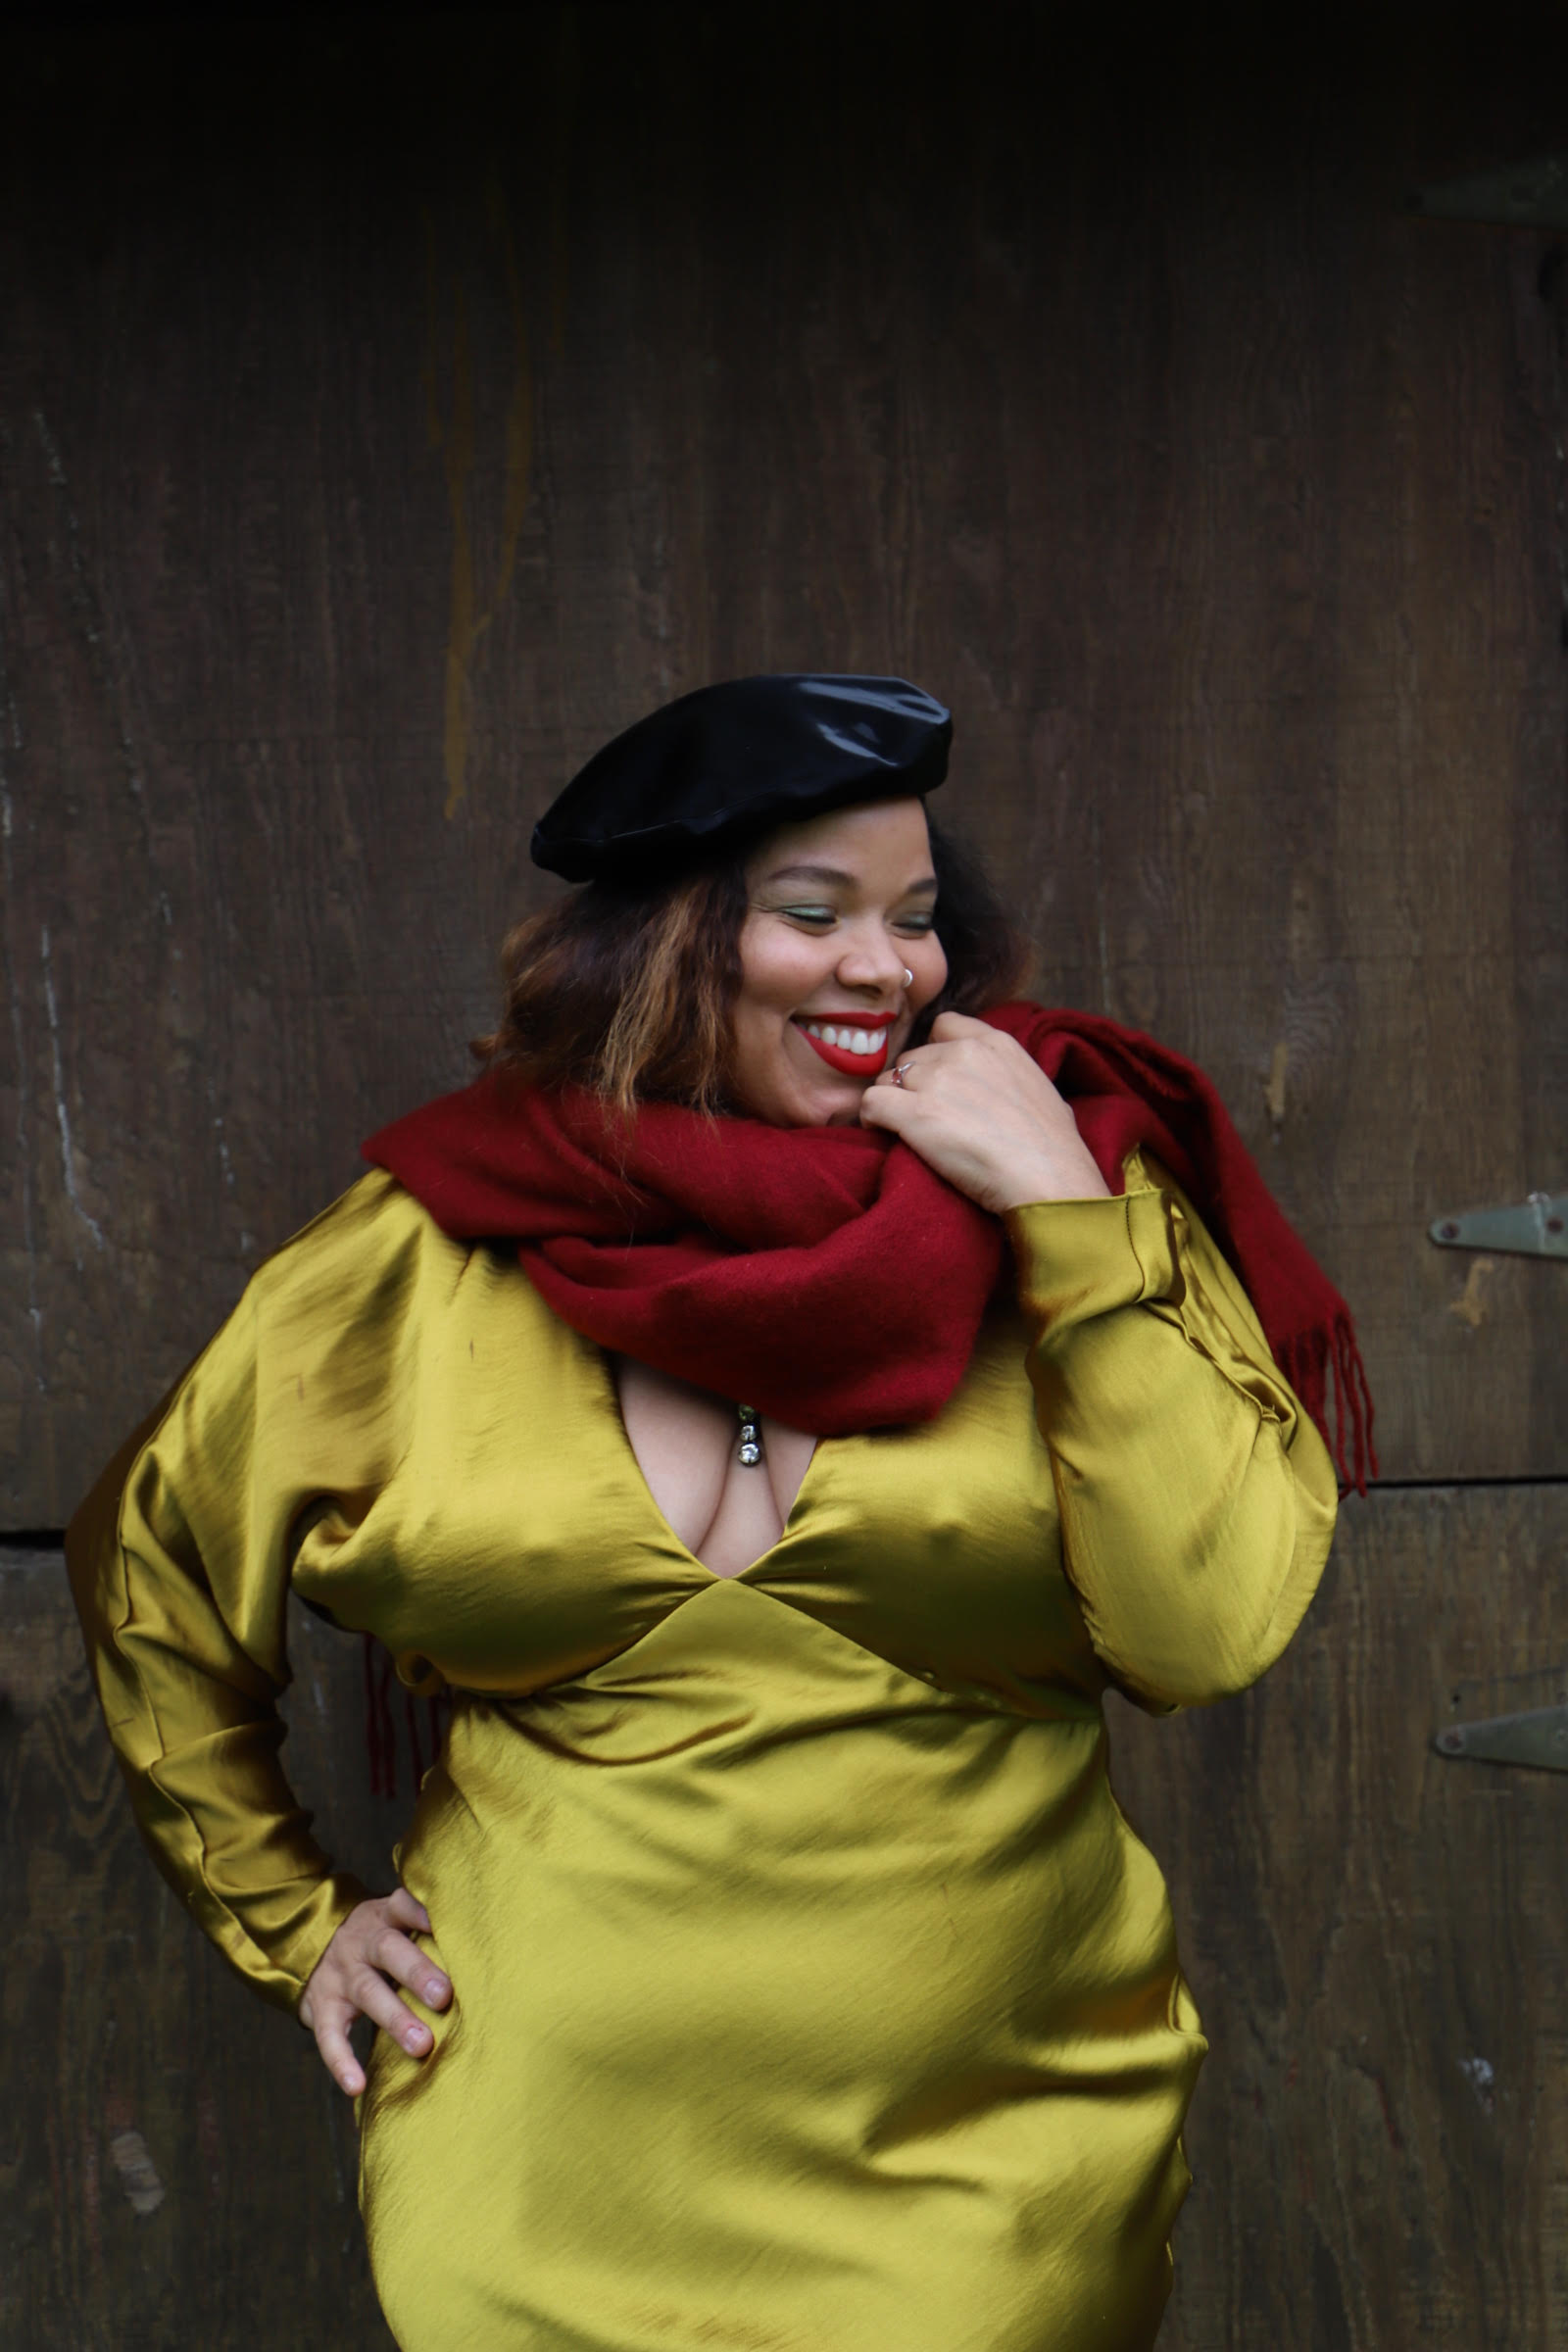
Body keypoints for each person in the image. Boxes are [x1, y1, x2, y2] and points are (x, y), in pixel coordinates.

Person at [68, 675, 1362, 2352]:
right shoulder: (423, 1247)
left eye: (914, 921)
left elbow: (1205, 1628)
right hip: (536, 2160)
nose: (884, 968)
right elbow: (156, 1568)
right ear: (664, 948)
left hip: (992, 2151)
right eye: (812, 914)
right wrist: (295, 1920)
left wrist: (1060, 1205)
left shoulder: (1071, 1198)